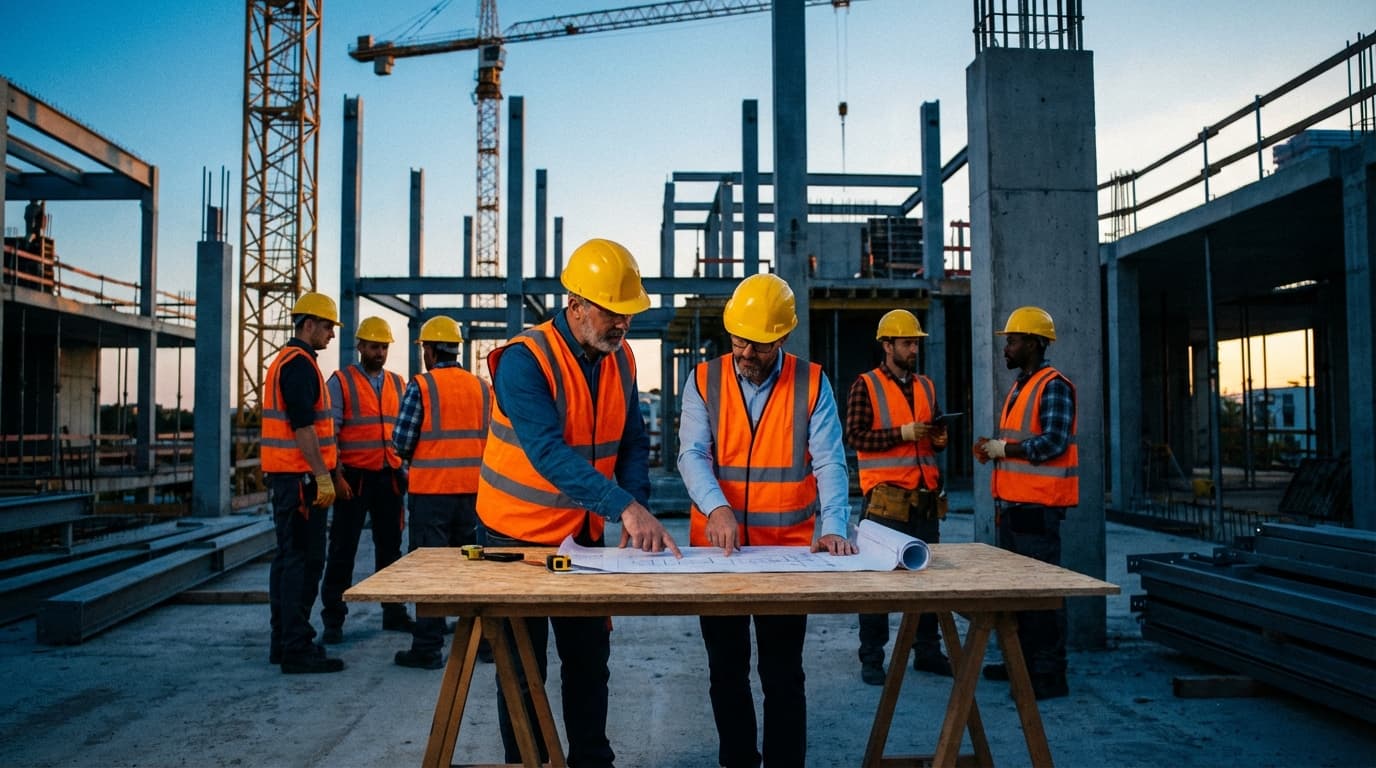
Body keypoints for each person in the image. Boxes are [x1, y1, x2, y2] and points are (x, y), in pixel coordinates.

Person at [477, 237, 680, 768]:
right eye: (612, 312)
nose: (622, 324)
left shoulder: (623, 358)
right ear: (575, 306)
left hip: (583, 538)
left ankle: (592, 761)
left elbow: (633, 439)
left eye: (628, 313)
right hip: (513, 537)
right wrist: (625, 508)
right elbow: (547, 453)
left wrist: (630, 503)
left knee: (589, 663)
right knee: (523, 671)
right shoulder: (524, 361)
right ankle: (529, 761)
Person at [677, 272, 857, 768]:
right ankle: (738, 762)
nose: (745, 354)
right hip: (717, 556)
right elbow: (692, 454)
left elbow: (828, 460)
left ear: (781, 337)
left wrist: (835, 525)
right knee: (725, 672)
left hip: (788, 554)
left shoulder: (812, 382)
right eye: (738, 341)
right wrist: (716, 507)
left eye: (756, 345)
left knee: (783, 674)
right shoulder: (702, 380)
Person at [973, 305, 1077, 701]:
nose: (1007, 348)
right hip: (1014, 507)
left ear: (1033, 343)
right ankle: (1024, 664)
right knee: (1018, 592)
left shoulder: (1054, 385)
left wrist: (1004, 448)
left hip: (1038, 508)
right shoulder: (1021, 386)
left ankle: (1048, 674)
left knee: (1041, 594)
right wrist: (996, 450)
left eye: (1013, 341)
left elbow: (1053, 443)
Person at [846, 309, 951, 686]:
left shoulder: (926, 386)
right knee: (877, 583)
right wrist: (900, 433)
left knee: (927, 580)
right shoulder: (866, 385)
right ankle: (872, 657)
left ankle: (927, 651)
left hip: (923, 500)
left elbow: (933, 431)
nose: (913, 349)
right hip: (884, 502)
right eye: (907, 343)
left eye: (915, 343)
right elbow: (856, 436)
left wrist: (937, 438)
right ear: (887, 345)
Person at [392, 315, 491, 670]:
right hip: (476, 495)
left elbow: (401, 441)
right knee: (473, 568)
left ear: (430, 351)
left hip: (432, 494)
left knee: (431, 571)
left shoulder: (423, 386)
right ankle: (484, 642)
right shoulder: (482, 387)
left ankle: (428, 647)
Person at [261, 291, 345, 674]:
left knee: (288, 560)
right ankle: (296, 647)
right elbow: (303, 428)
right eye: (327, 326)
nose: (330, 334)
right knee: (304, 562)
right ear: (307, 324)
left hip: (290, 477)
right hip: (299, 480)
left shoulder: (290, 361)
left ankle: (284, 642)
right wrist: (323, 475)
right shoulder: (299, 365)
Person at [319, 316, 411, 645]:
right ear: (360, 346)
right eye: (374, 347)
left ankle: (394, 611)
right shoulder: (341, 382)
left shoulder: (399, 383)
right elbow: (329, 431)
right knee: (343, 548)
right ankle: (333, 619)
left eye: (384, 347)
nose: (380, 353)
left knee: (391, 549)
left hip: (388, 476)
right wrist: (336, 474)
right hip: (353, 479)